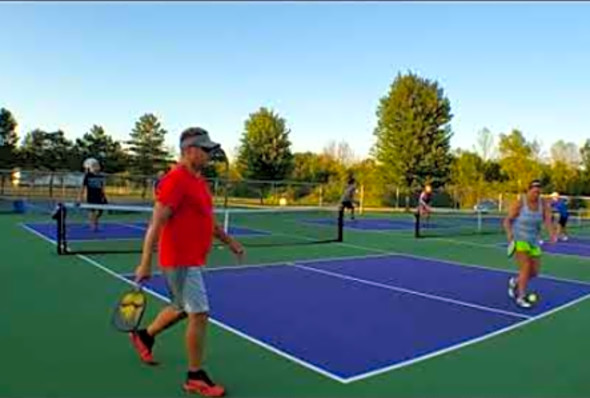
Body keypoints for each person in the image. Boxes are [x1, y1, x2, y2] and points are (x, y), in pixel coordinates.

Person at [130, 127, 244, 397]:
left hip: (191, 258)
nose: (209, 155)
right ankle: (195, 376)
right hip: (178, 259)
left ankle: (144, 336)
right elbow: (156, 223)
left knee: (181, 308)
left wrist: (230, 242)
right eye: (205, 150)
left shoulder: (199, 182)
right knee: (199, 313)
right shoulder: (175, 180)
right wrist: (145, 262)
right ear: (190, 150)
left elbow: (208, 220)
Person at [504, 180, 556, 308]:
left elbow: (548, 220)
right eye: (534, 192)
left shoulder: (543, 204)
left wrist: (552, 234)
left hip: (534, 240)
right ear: (528, 191)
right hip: (519, 238)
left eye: (539, 192)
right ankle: (521, 297)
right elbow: (507, 221)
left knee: (534, 272)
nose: (537, 195)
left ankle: (515, 282)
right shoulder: (520, 203)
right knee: (525, 268)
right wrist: (509, 234)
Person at [77, 158, 107, 232]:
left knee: (100, 212)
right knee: (92, 211)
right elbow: (82, 187)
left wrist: (104, 197)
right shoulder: (88, 176)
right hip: (91, 196)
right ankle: (93, 226)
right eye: (94, 165)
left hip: (99, 197)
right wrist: (80, 197)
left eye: (97, 165)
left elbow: (102, 187)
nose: (97, 167)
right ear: (91, 167)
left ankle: (94, 221)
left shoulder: (101, 176)